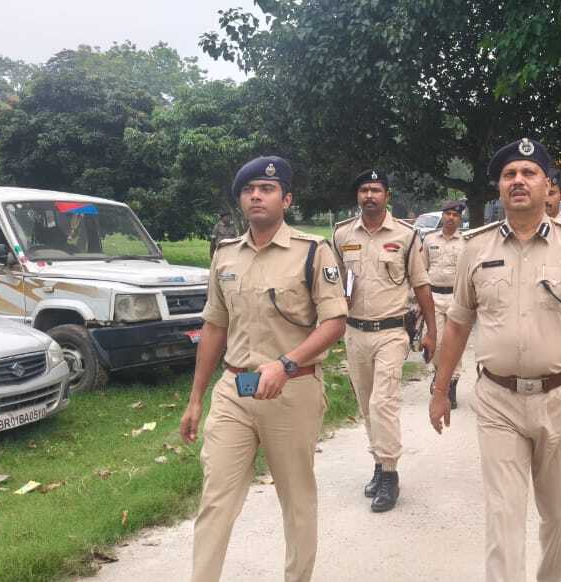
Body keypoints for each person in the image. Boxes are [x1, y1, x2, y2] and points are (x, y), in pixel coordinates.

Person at [428, 137, 561, 582]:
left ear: (546, 184)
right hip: (497, 400)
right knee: (503, 518)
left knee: (558, 517)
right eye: (509, 175)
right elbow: (458, 325)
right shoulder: (476, 248)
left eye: (528, 173)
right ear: (500, 187)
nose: (518, 180)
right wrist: (440, 390)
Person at [180, 156, 347, 582]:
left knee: (296, 500)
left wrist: (287, 364)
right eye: (249, 189)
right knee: (215, 500)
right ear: (241, 199)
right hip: (235, 389)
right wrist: (196, 398)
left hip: (292, 390)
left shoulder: (312, 251)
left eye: (267, 189)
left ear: (286, 200)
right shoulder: (225, 255)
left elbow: (334, 322)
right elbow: (215, 326)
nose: (256, 195)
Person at [333, 169, 437, 513]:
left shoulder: (406, 235)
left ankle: (390, 474)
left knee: (383, 403)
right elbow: (333, 284)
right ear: (357, 196)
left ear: (387, 196)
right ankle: (378, 463)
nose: (369, 195)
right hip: (354, 332)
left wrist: (432, 332)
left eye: (375, 190)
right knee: (366, 404)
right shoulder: (342, 234)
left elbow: (421, 285)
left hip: (391, 332)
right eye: (364, 190)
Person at [424, 199, 467, 410]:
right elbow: (422, 269)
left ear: (460, 218)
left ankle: (452, 385)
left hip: (456, 298)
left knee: (454, 344)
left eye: (455, 215)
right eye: (448, 214)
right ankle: (439, 374)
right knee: (437, 342)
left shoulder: (466, 242)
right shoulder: (429, 239)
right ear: (442, 216)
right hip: (433, 297)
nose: (451, 218)